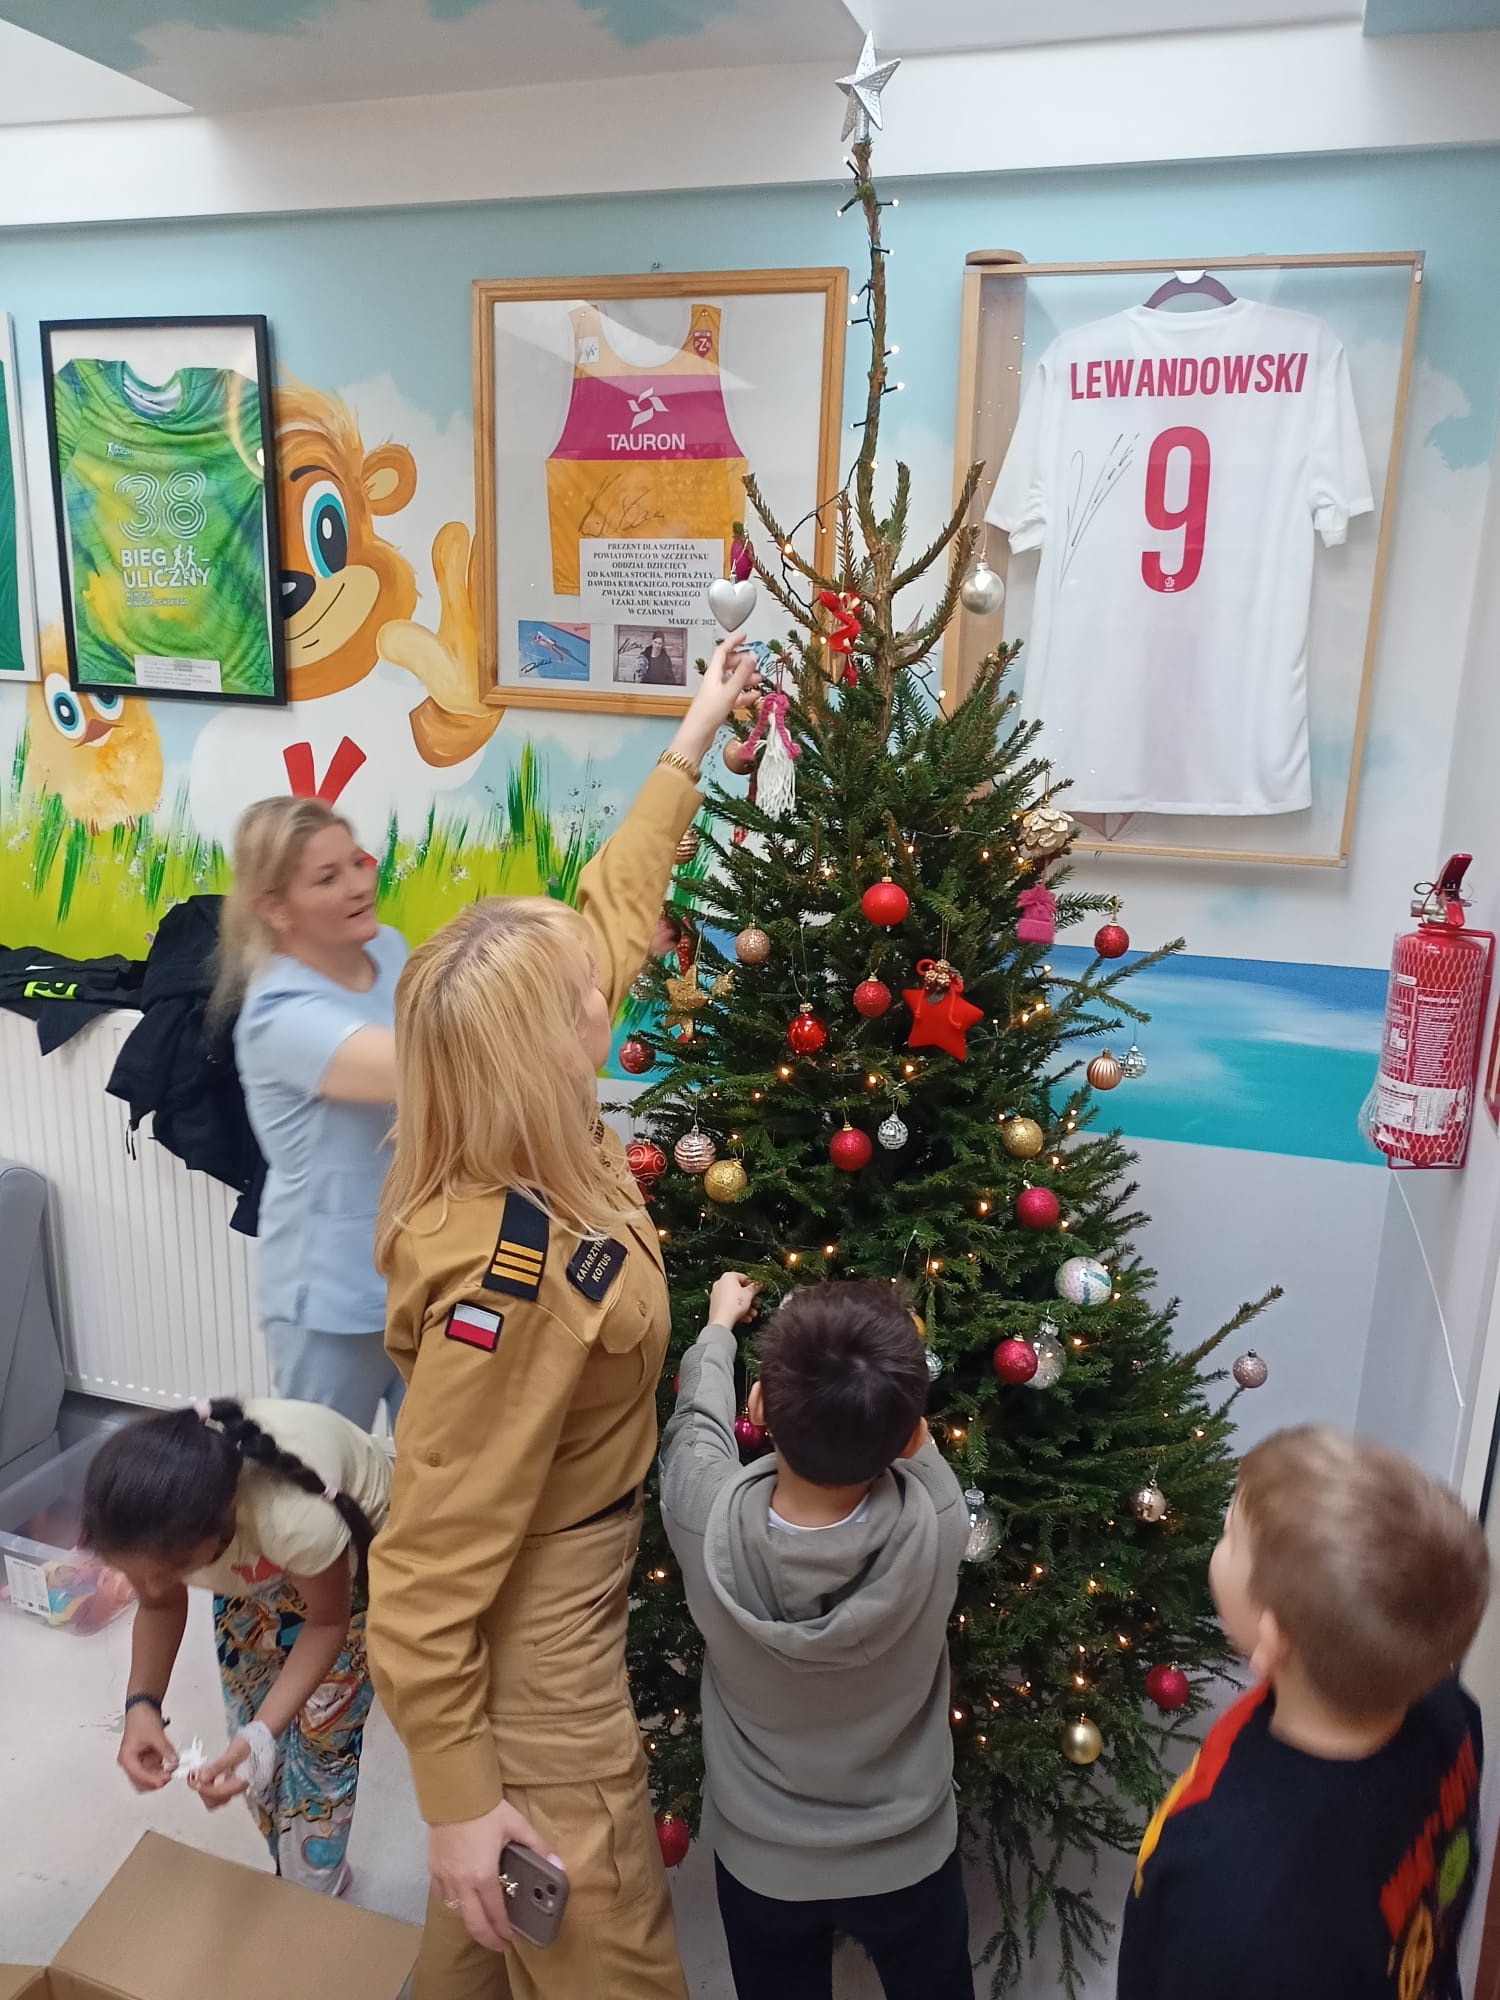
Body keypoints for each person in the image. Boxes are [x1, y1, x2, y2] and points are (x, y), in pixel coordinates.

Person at [365, 632, 759, 2000]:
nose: (612, 980)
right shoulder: (513, 1281)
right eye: (593, 995)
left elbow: (612, 910)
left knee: (482, 1952)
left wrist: (693, 735)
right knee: (607, 1945)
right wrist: (458, 1796)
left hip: (564, 1577)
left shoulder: (528, 1119)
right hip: (536, 1646)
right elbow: (424, 1572)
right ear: (553, 1051)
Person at [659, 1275, 975, 2000]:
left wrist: (720, 1329)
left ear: (759, 1407)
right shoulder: (940, 1519)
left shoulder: (702, 1521)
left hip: (762, 1865)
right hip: (909, 1858)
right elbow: (916, 1441)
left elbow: (694, 1431)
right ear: (908, 1434)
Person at [1118, 1425, 1490, 2000]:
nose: (1219, 1540)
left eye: (1229, 1535)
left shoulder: (1235, 1909)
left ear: (1273, 1640)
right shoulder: (1449, 1711)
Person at [80, 1397, 456, 1895]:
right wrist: (142, 1705)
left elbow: (328, 1624)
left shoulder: (292, 1517)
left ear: (221, 1526)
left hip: (349, 1581)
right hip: (258, 1564)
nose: (150, 1586)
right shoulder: (154, 1517)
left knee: (319, 1754)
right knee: (252, 1747)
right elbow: (159, 1604)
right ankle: (294, 1864)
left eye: (171, 1571)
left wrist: (261, 1736)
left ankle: (313, 1887)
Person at [212, 798, 405, 1427]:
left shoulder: (392, 952)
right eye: (327, 878)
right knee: (320, 1478)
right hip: (329, 1299)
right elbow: (429, 1067)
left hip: (419, 1276)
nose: (358, 885)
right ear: (275, 908)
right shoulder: (280, 1016)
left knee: (443, 1475)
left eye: (358, 862)